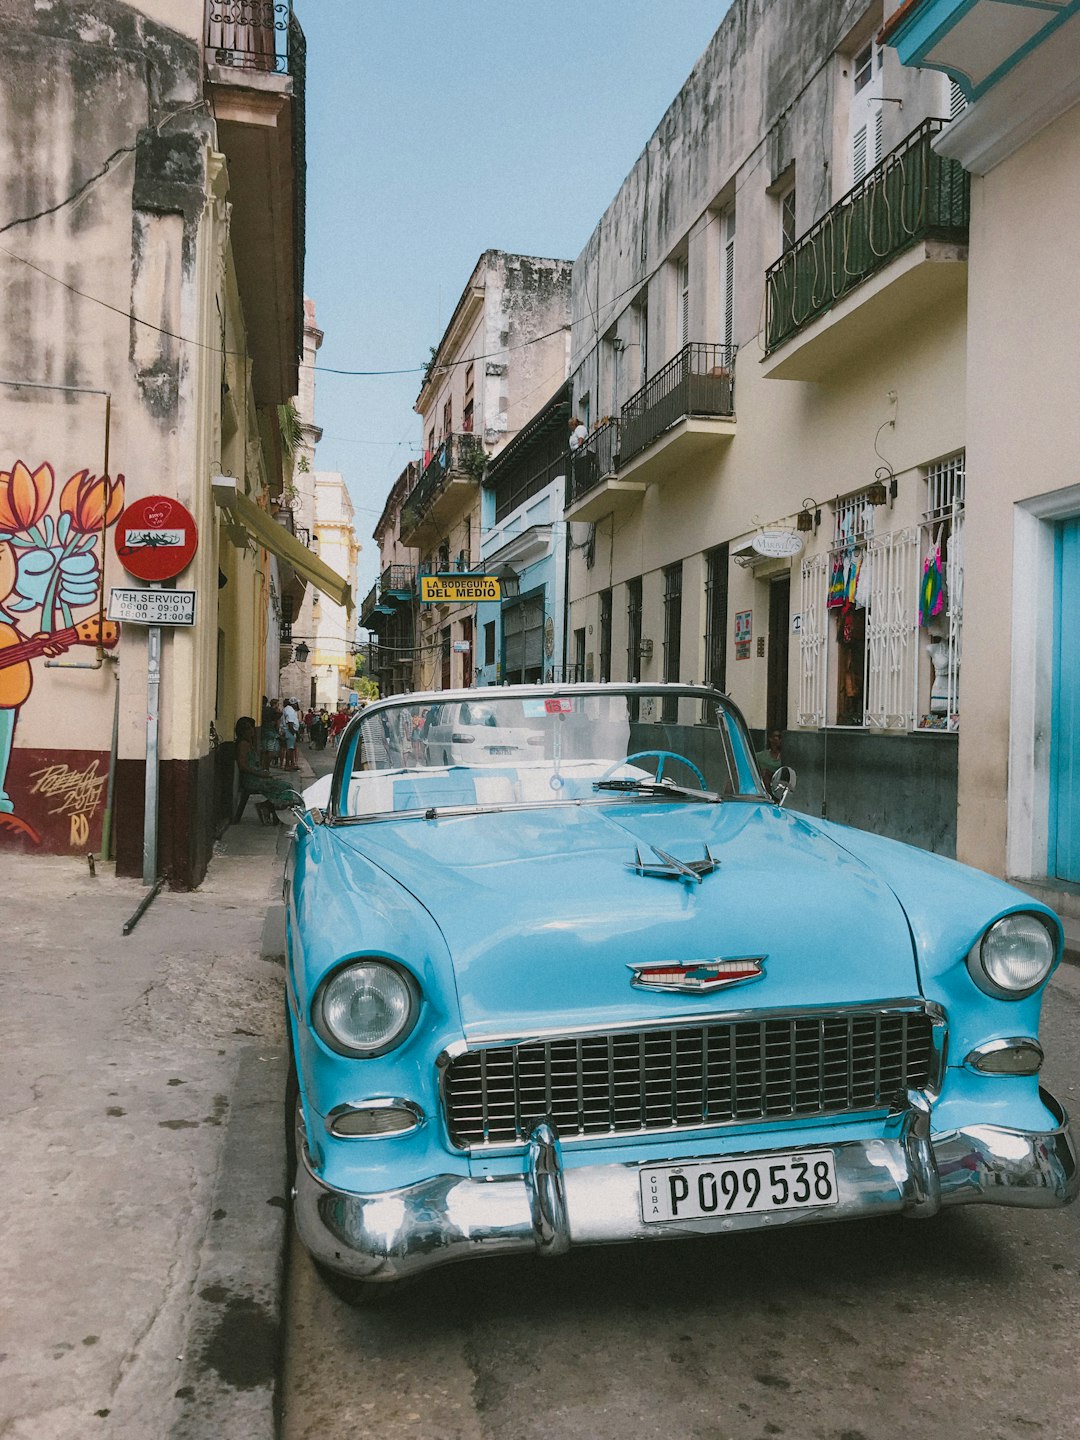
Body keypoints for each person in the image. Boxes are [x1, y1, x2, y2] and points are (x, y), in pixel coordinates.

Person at [234, 717, 301, 825]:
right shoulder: (243, 745)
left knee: (284, 785)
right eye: (249, 728)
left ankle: (267, 807)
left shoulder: (249, 743)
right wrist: (260, 773)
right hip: (251, 779)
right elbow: (243, 766)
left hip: (257, 776)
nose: (252, 731)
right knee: (285, 787)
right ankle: (273, 811)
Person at [280, 698, 300, 770]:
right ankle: (287, 765)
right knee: (289, 749)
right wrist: (293, 732)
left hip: (288, 731)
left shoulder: (288, 709)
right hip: (289, 731)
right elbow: (290, 723)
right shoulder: (290, 710)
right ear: (294, 704)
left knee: (291, 748)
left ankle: (291, 764)